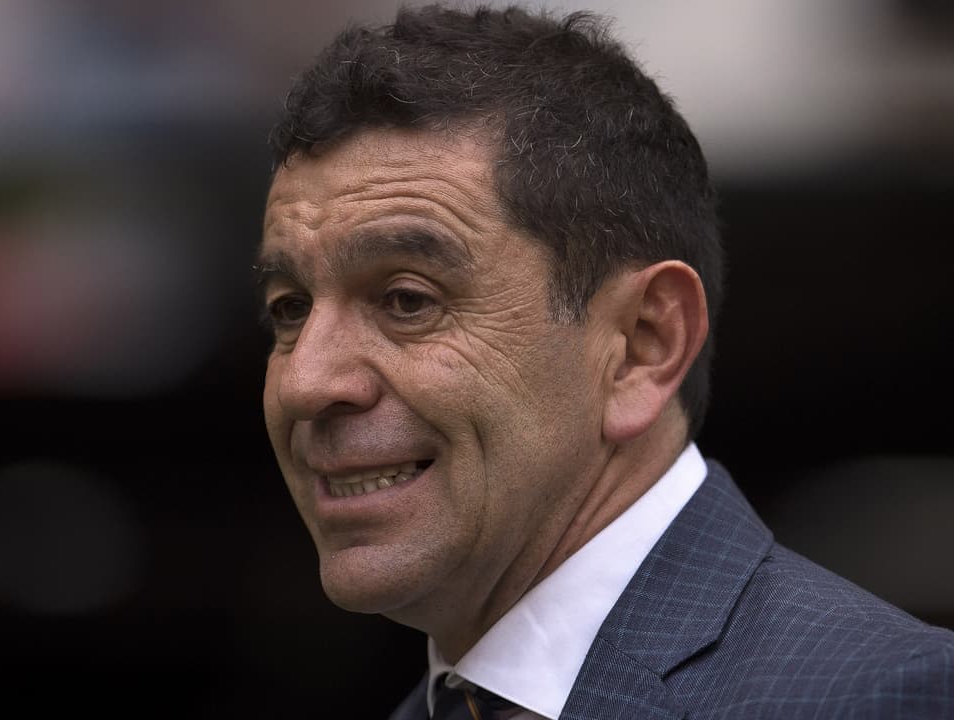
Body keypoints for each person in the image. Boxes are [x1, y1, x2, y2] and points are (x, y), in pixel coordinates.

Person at [254, 4, 954, 719]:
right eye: (290, 308)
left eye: (407, 300)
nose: (307, 381)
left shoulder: (881, 697)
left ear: (642, 346)